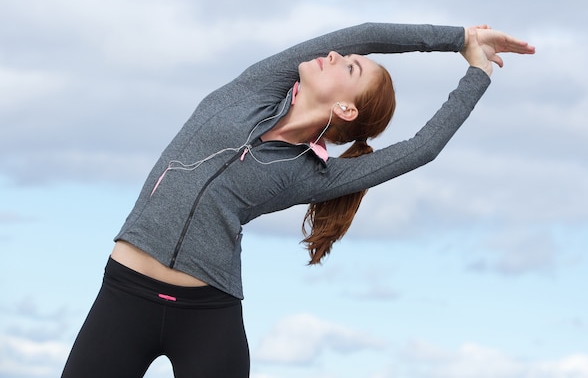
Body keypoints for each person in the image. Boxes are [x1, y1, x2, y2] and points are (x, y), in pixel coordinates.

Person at [61, 22, 534, 377]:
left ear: (345, 108)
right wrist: (458, 38)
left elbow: (421, 148)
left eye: (349, 67)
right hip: (124, 295)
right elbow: (367, 33)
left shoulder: (313, 175)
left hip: (206, 316)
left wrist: (477, 71)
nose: (333, 54)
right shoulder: (253, 90)